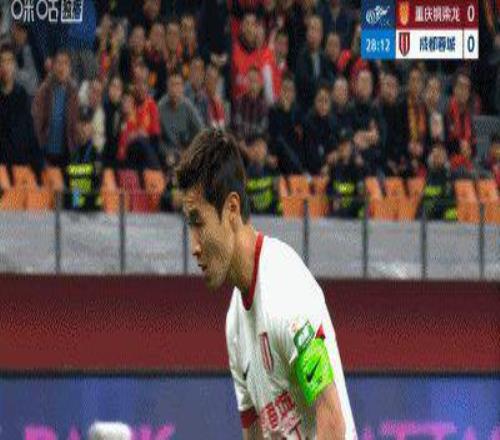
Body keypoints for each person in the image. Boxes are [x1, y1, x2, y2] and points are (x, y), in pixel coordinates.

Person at [176, 128, 357, 439]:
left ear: (232, 209)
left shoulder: (286, 288)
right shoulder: (234, 324)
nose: (193, 245)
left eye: (199, 223)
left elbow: (332, 422)